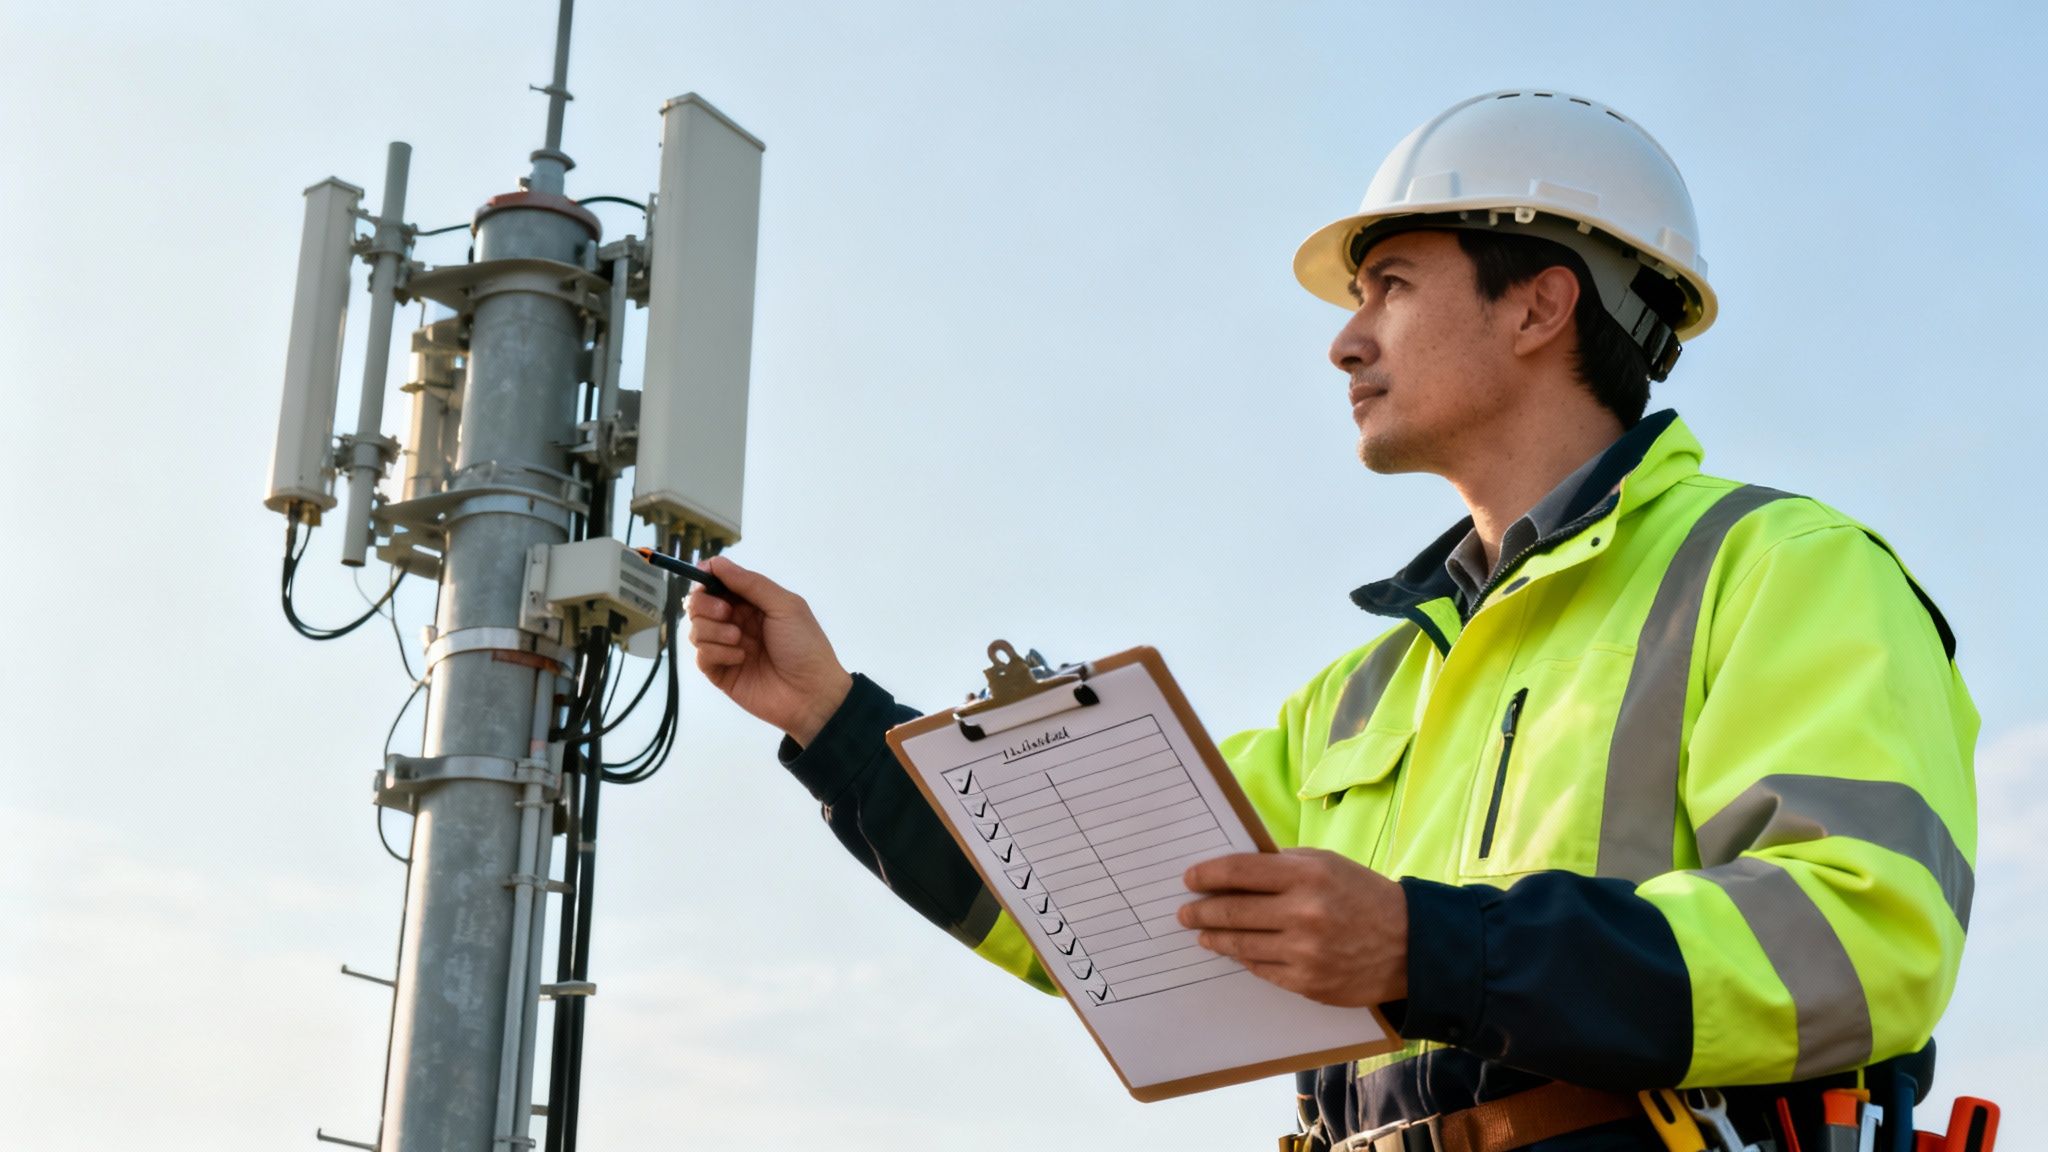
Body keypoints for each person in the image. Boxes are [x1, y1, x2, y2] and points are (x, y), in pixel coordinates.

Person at [684, 90, 1977, 1152]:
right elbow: (1110, 911)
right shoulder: (1359, 696)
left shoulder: (1780, 572)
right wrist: (834, 719)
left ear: (1540, 304)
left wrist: (1429, 947)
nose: (1344, 343)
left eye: (1392, 286)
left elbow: (1859, 940)